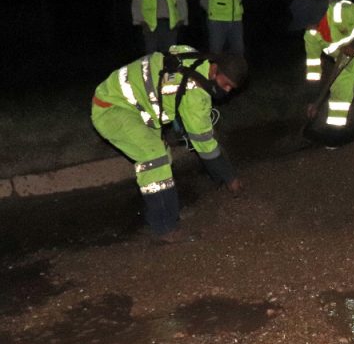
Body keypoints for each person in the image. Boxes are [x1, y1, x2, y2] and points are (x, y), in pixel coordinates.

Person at [90, 45, 247, 243]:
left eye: (232, 88)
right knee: (154, 157)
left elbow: (171, 54)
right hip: (111, 108)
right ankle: (165, 228)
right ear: (214, 70)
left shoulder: (194, 57)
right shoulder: (195, 93)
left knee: (162, 154)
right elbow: (204, 144)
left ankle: (166, 215)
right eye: (226, 84)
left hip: (133, 106)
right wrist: (229, 177)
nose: (227, 91)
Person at [303, 0, 354, 132]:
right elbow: (313, 70)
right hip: (346, 58)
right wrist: (313, 100)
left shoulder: (340, 13)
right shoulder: (310, 36)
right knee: (340, 91)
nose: (305, 27)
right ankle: (335, 135)